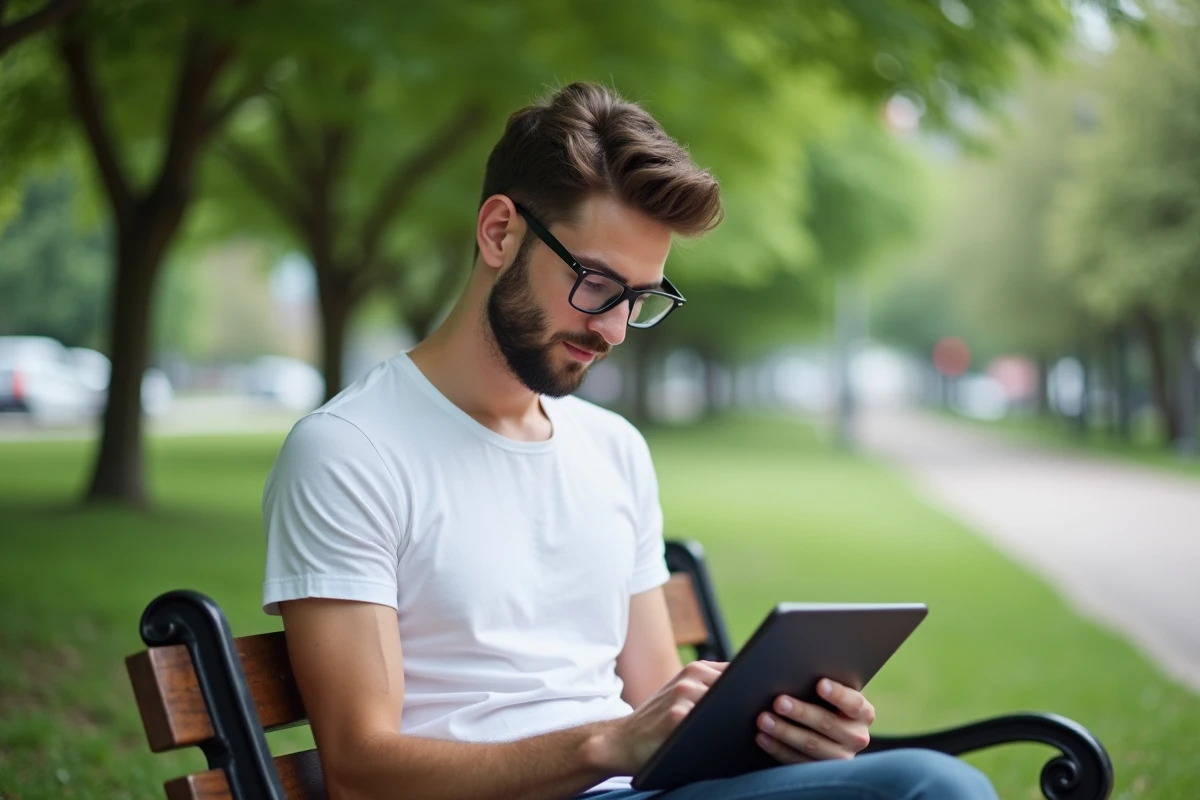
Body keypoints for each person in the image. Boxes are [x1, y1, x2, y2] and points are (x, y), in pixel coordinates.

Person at [261, 82, 998, 800]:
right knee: (932, 786)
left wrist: (794, 738)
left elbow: (660, 712)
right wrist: (605, 745)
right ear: (498, 232)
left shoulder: (612, 448)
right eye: (596, 283)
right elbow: (360, 771)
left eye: (641, 300)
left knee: (921, 787)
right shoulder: (350, 452)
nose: (613, 329)